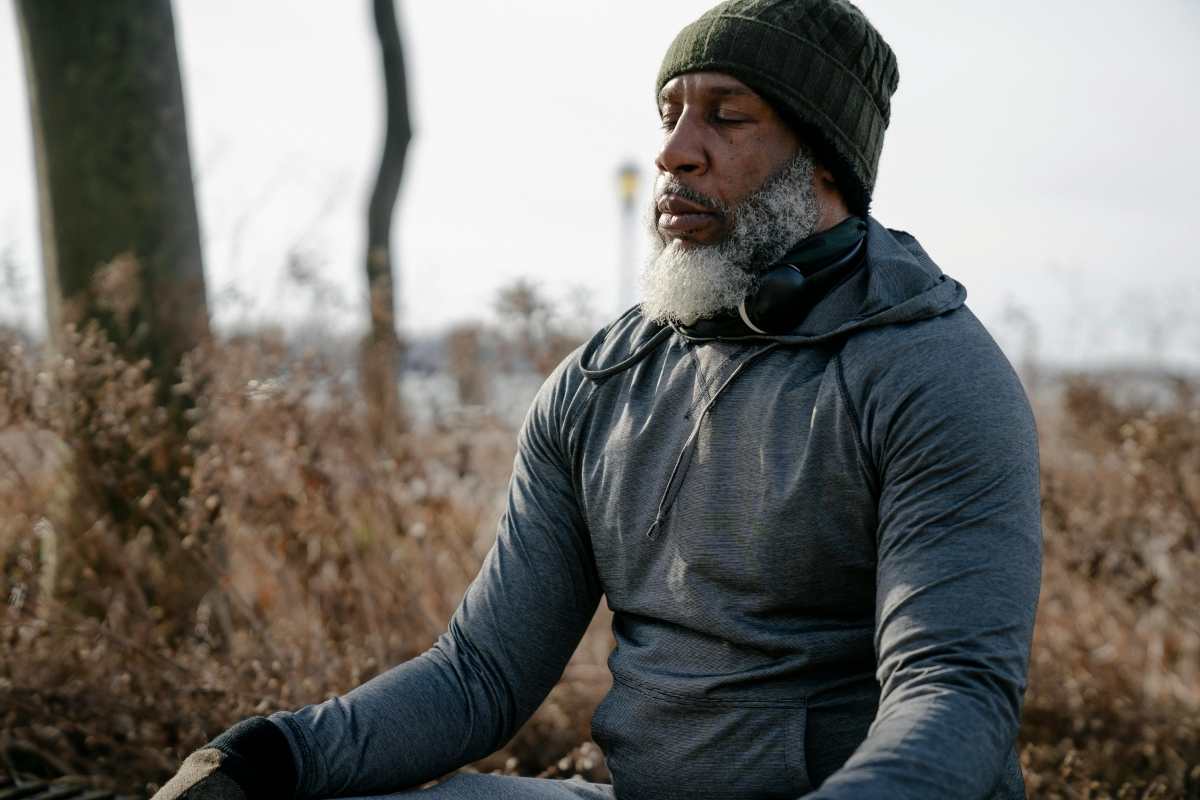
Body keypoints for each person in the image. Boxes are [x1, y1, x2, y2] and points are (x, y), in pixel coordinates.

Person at [154, 1, 1042, 798]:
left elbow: (953, 696)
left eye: (727, 117)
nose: (673, 151)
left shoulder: (934, 378)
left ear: (823, 165)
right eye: (670, 114)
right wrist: (272, 757)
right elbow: (479, 675)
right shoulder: (598, 383)